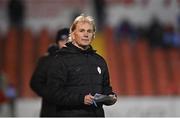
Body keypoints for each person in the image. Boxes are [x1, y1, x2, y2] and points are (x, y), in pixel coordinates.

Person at [45, 14, 117, 117]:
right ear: (73, 35)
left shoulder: (100, 61)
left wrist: (110, 97)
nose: (86, 34)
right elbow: (54, 94)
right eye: (81, 31)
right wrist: (81, 99)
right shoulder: (60, 60)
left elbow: (105, 88)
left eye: (89, 31)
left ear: (93, 35)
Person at [30, 28, 69, 117]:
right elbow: (35, 83)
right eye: (62, 40)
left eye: (68, 40)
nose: (65, 43)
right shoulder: (46, 60)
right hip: (51, 111)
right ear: (57, 42)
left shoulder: (78, 60)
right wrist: (52, 95)